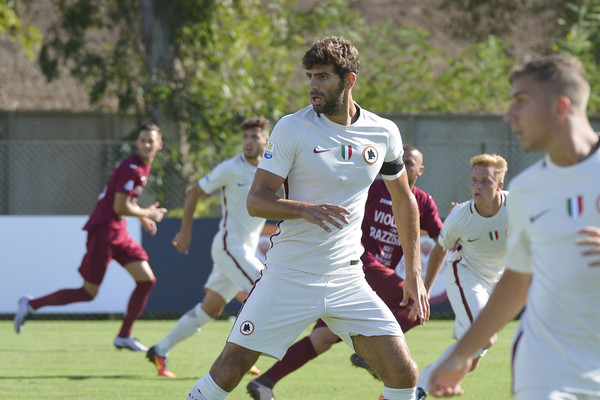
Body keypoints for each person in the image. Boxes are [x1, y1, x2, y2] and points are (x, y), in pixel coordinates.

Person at [185, 36, 429, 400]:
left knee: (403, 373)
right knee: (230, 368)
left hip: (348, 277)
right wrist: (305, 209)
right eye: (310, 77)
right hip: (289, 274)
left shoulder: (383, 132)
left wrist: (414, 274)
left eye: (323, 77)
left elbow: (404, 199)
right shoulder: (292, 128)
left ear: (349, 80)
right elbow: (257, 200)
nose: (314, 86)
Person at [428, 54, 600, 400]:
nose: (510, 115)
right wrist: (462, 353)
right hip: (545, 367)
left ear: (560, 106)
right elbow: (517, 281)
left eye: (521, 101)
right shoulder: (525, 190)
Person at [246, 144, 447, 399]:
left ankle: (265, 382)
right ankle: (371, 353)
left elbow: (444, 239)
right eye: (401, 162)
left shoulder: (421, 201)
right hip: (360, 263)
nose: (404, 168)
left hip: (373, 274)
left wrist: (427, 284)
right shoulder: (374, 189)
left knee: (323, 337)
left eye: (410, 163)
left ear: (420, 170)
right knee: (416, 307)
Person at [14, 122, 167, 351]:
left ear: (159, 144)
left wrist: (139, 215)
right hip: (104, 231)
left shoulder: (143, 167)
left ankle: (124, 335)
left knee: (146, 280)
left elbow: (125, 203)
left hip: (118, 231)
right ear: (136, 143)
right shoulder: (131, 167)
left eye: (151, 140)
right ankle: (31, 304)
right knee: (88, 293)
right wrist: (148, 213)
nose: (146, 144)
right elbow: (118, 206)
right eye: (142, 139)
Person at [145, 116, 271, 378]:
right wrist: (185, 231)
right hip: (229, 247)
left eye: (254, 136)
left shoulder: (271, 169)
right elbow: (194, 193)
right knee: (265, 289)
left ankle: (159, 349)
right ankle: (241, 355)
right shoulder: (230, 168)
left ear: (266, 140)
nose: (248, 142)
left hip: (243, 250)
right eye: (245, 137)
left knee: (210, 309)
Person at [415, 153, 509, 398]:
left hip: (496, 284)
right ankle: (419, 388)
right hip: (465, 275)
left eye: (486, 181)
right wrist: (424, 290)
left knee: (473, 358)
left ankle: (419, 384)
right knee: (485, 337)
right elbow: (439, 250)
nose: (477, 186)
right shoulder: (459, 216)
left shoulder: (518, 206)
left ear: (500, 185)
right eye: (474, 180)